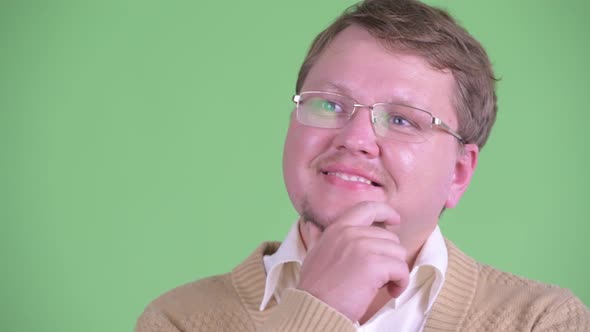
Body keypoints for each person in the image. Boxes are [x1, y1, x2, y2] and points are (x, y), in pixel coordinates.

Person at [135, 0, 590, 330]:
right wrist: (317, 307)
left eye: (401, 119)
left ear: (458, 172)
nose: (355, 139)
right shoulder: (178, 319)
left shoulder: (541, 320)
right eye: (330, 105)